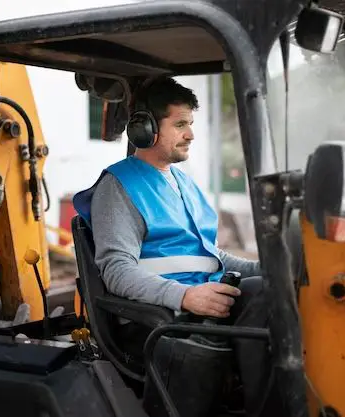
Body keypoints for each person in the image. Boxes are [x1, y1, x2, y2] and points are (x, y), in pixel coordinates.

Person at [73, 77, 277, 416]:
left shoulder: (182, 181)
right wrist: (184, 296)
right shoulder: (118, 186)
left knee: (274, 288)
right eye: (180, 124)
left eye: (191, 124)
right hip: (157, 320)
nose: (191, 134)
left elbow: (210, 257)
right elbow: (117, 271)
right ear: (145, 129)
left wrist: (272, 269)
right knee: (264, 298)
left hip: (196, 302)